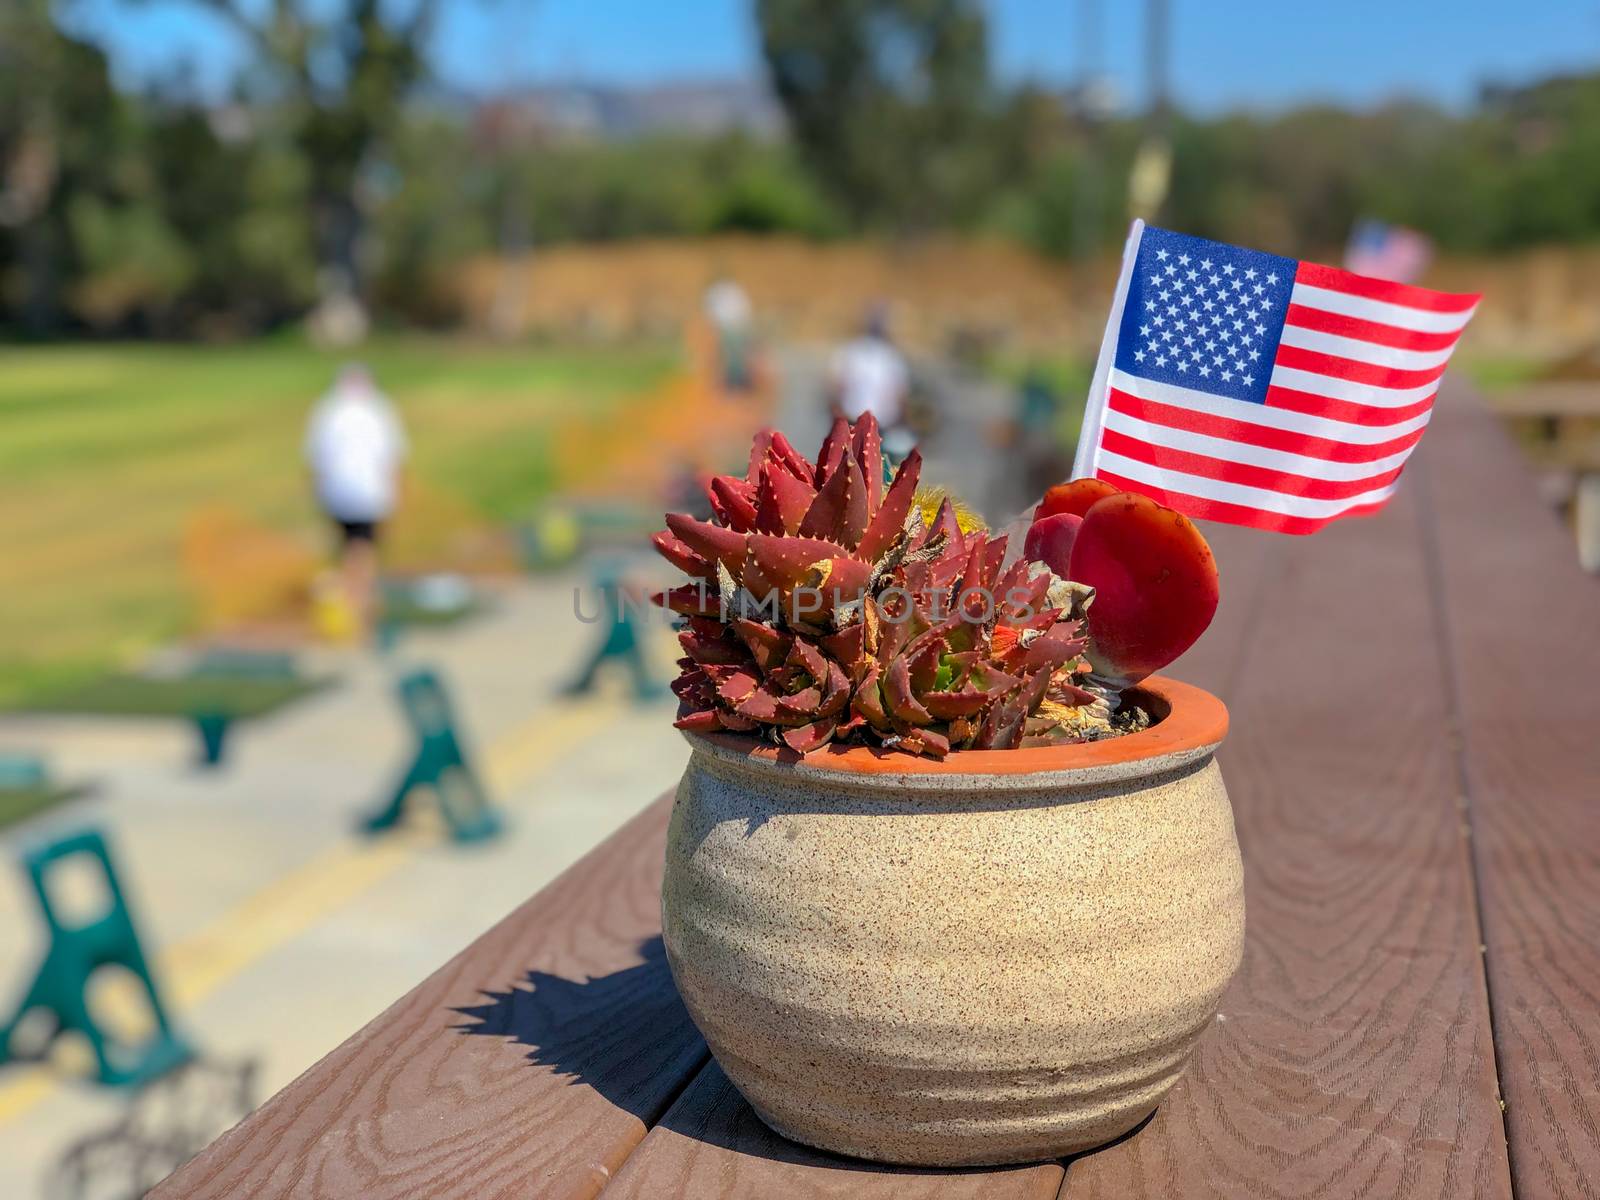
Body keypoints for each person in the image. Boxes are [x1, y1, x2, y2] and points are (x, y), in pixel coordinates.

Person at [304, 364, 407, 634]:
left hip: (337, 493)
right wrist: (396, 495)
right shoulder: (379, 409)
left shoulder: (328, 410)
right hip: (371, 492)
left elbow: (316, 457)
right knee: (364, 549)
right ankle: (360, 605)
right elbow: (392, 456)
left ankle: (350, 602)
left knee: (348, 547)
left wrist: (317, 493)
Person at [828, 305, 912, 461]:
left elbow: (899, 392)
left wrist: (902, 420)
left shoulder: (891, 355)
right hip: (853, 418)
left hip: (883, 421)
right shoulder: (852, 352)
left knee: (878, 466)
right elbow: (837, 385)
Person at [702, 273, 754, 394]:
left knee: (736, 355)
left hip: (735, 325)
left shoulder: (731, 291)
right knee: (728, 355)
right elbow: (711, 310)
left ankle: (737, 380)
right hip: (726, 326)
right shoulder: (719, 292)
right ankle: (731, 381)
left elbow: (742, 308)